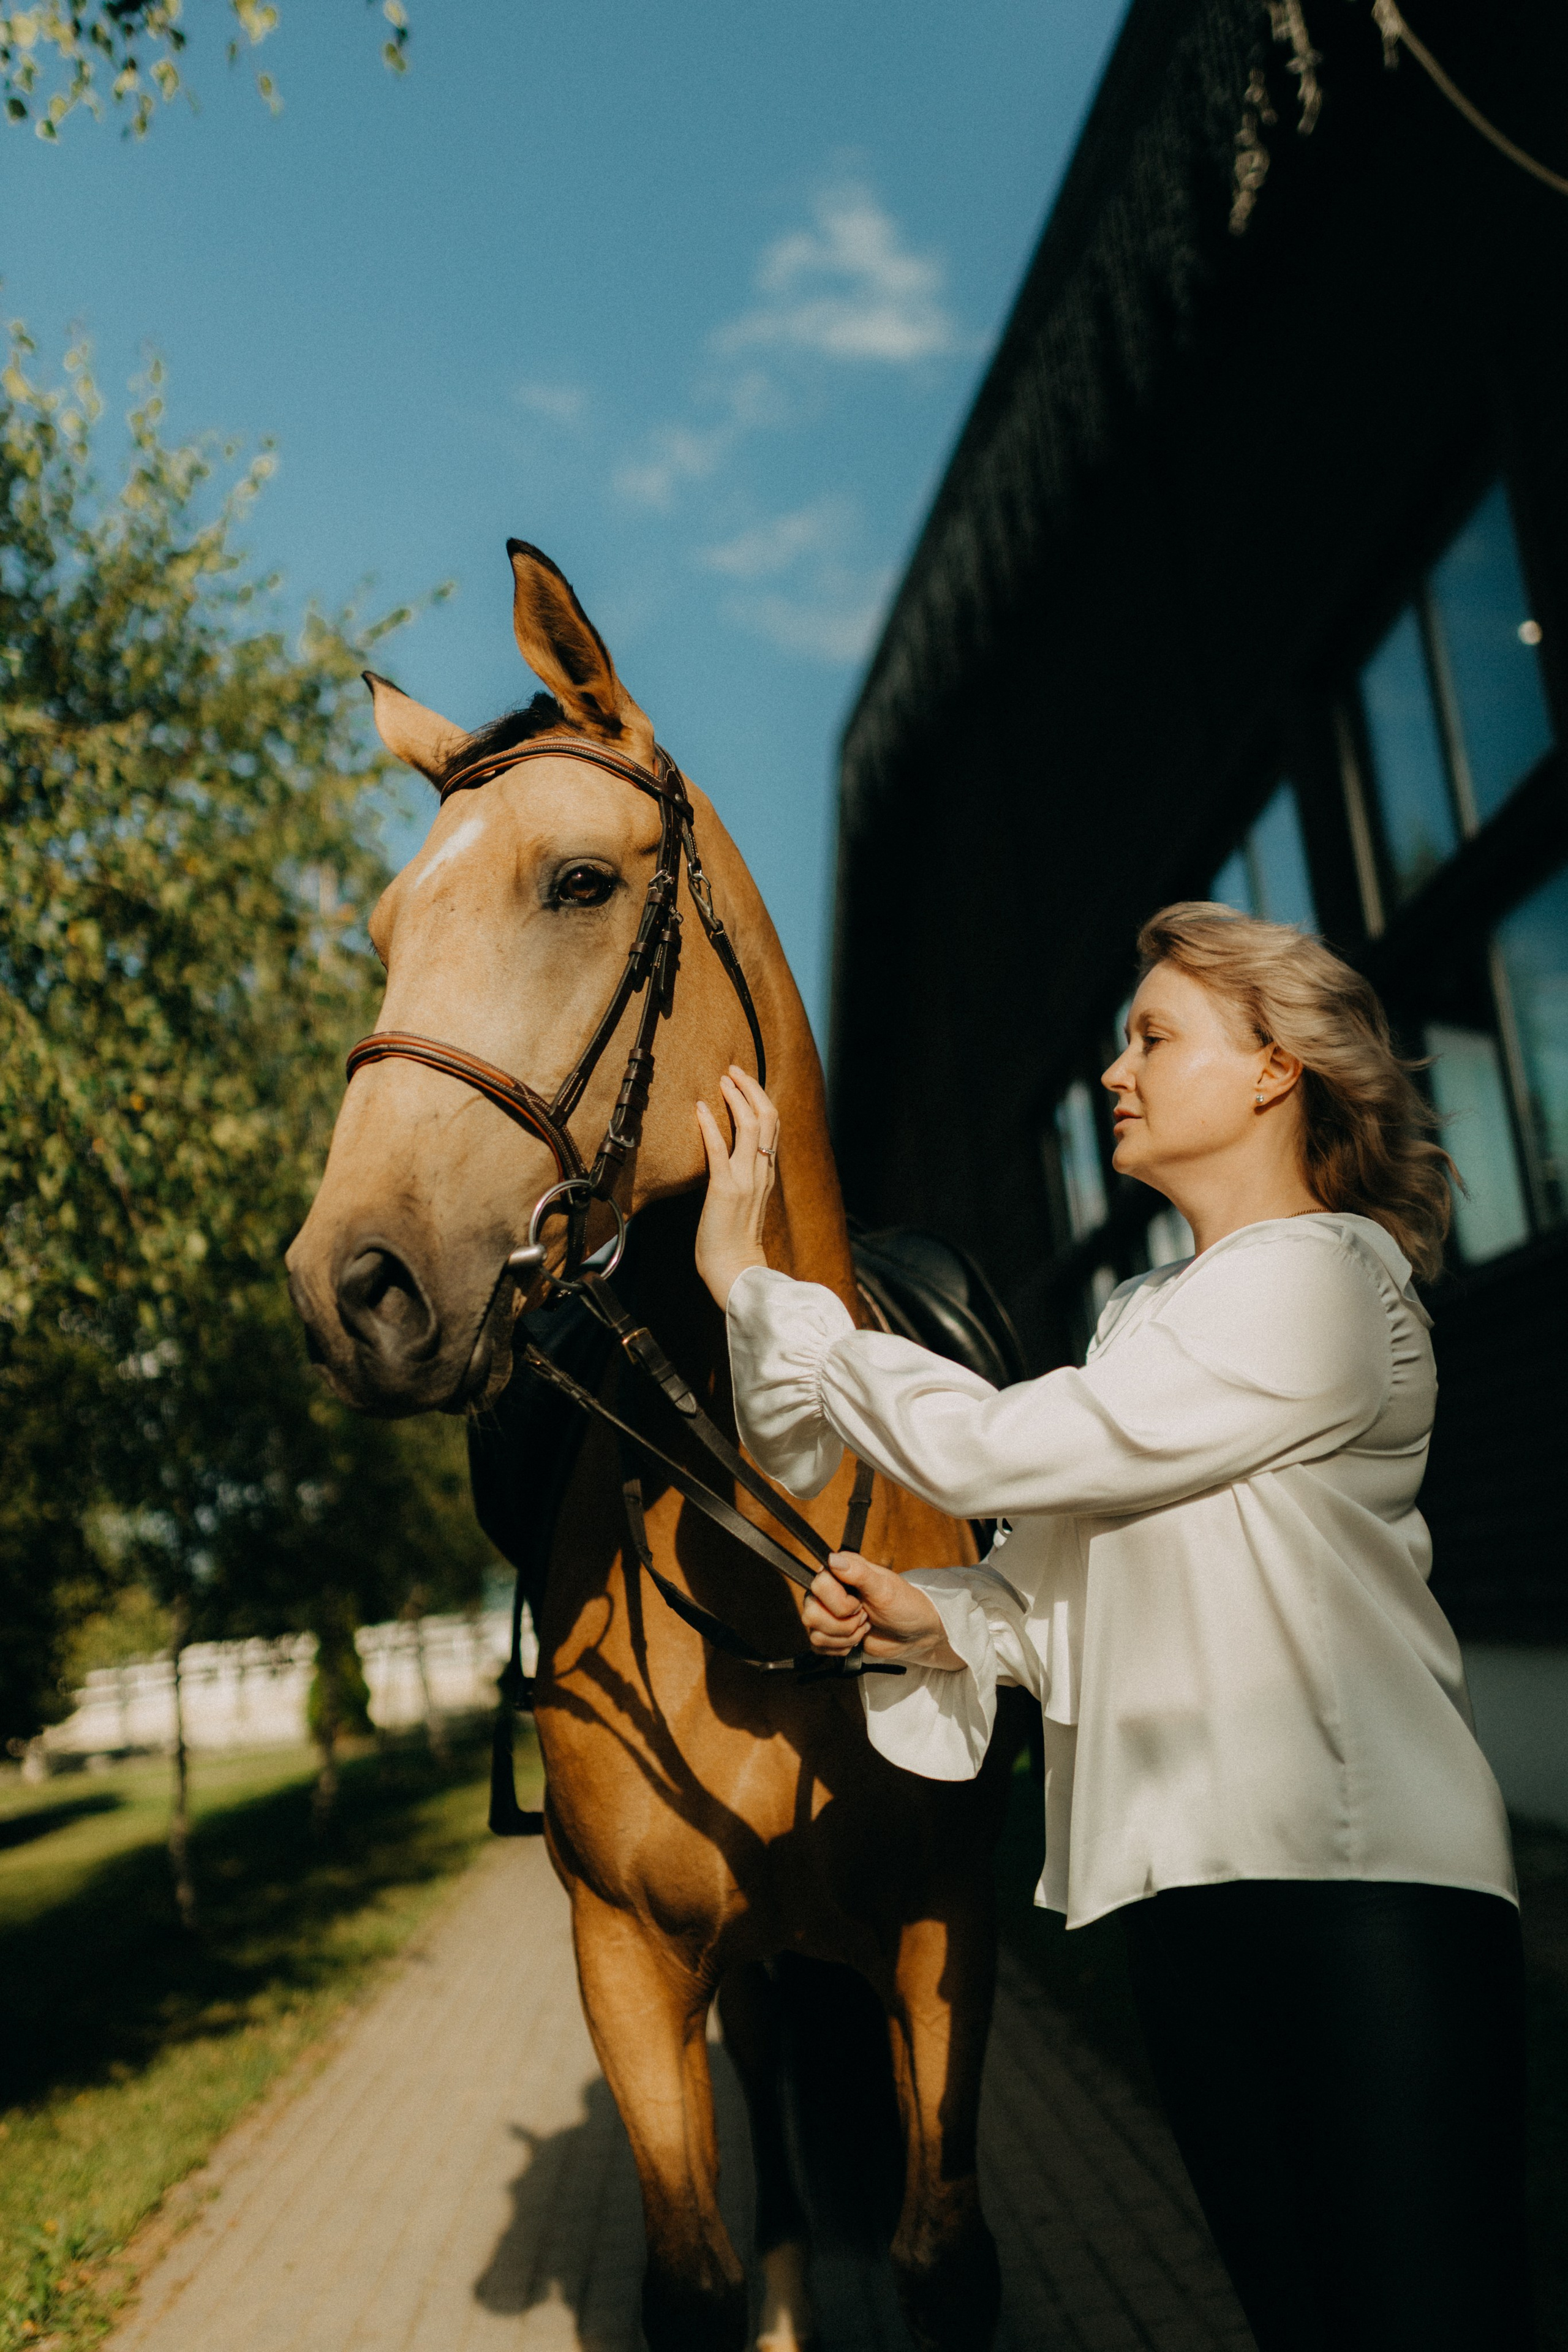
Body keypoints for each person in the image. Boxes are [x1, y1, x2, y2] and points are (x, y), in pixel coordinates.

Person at [692, 902, 1532, 2352]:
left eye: (1153, 1037)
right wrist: (942, 1619)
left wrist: (764, 1299)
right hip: (1180, 1897)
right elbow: (1066, 1592)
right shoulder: (1146, 1307)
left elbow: (1001, 1452)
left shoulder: (1323, 1283)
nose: (1114, 1072)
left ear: (1273, 1069)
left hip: (1355, 1891)